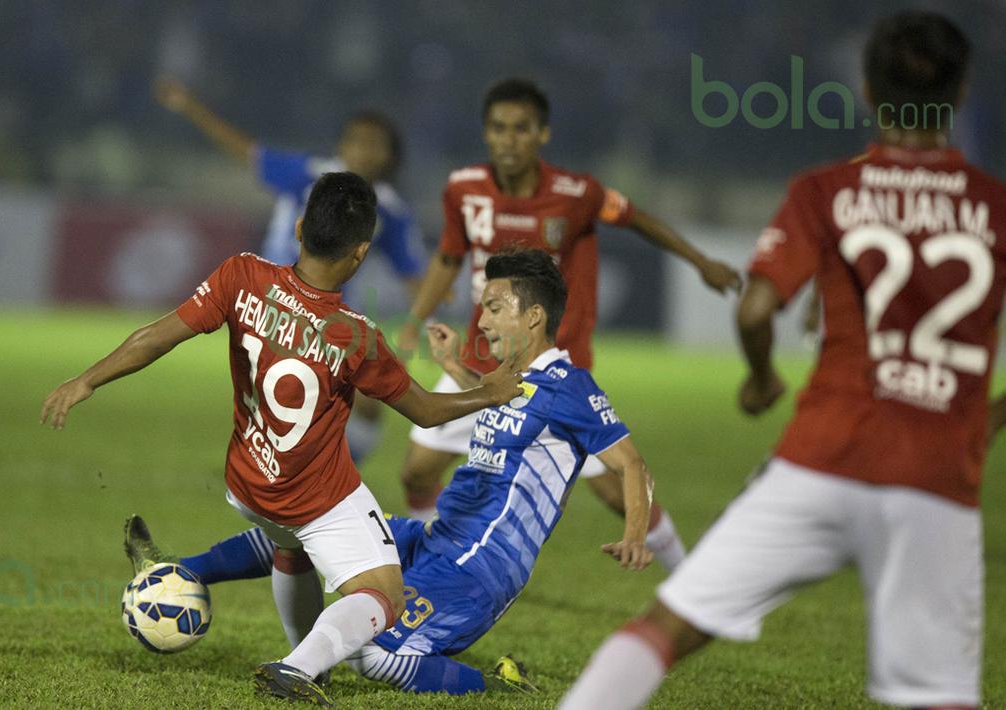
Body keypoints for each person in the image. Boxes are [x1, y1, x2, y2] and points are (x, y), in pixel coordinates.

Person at [560, 12, 1005, 709]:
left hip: (821, 459)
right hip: (936, 473)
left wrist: (762, 376)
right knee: (937, 692)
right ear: (961, 93)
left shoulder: (826, 191)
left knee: (665, 629)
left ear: (864, 88)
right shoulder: (994, 205)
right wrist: (985, 417)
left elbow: (754, 307)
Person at [40, 172, 523, 707]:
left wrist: (85, 379)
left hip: (247, 484)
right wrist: (489, 391)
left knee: (291, 552)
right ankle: (298, 668)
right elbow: (428, 411)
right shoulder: (356, 335)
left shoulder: (241, 276)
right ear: (361, 253)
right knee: (383, 596)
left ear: (298, 228)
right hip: (315, 496)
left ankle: (307, 661)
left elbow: (155, 336)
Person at [130, 248, 659, 696]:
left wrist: (635, 533)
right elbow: (506, 410)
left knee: (370, 653)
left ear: (535, 316)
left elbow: (631, 462)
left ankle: (492, 683)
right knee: (311, 524)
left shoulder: (571, 388)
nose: (485, 320)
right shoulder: (512, 380)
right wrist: (456, 368)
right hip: (435, 536)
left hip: (478, 568)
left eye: (496, 308)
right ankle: (182, 570)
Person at [396, 77, 742, 570]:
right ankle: (437, 559)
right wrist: (415, 321)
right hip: (481, 360)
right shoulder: (463, 189)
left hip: (549, 372)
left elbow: (639, 219)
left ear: (542, 135)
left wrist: (701, 260)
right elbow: (450, 256)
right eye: (498, 128)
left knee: (615, 490)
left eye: (520, 129)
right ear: (486, 133)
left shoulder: (576, 193)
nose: (507, 140)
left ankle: (688, 580)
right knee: (417, 472)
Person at [155, 76, 427, 463]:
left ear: (389, 156)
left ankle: (319, 482)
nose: (364, 152)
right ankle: (307, 485)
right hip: (274, 299)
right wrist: (189, 107)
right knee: (324, 398)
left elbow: (413, 274)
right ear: (342, 145)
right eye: (357, 141)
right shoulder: (308, 174)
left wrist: (428, 314)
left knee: (366, 401)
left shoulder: (389, 210)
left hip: (327, 312)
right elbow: (246, 152)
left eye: (374, 145)